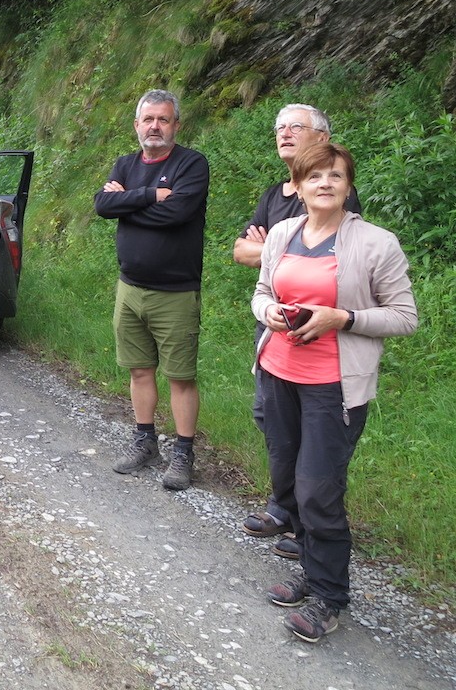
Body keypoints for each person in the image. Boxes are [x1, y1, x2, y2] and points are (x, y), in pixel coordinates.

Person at [252, 141, 416, 643]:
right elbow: (261, 294)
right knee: (288, 481)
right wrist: (270, 314)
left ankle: (328, 596)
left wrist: (341, 318)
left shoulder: (375, 243)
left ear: (348, 186)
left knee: (319, 491)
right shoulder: (282, 233)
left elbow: (405, 317)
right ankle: (309, 564)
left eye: (336, 176)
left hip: (333, 388)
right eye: (315, 176)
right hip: (278, 374)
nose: (325, 183)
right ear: (297, 186)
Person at [233, 104, 361, 560]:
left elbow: (339, 260)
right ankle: (284, 508)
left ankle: (310, 523)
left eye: (296, 127)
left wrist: (269, 247)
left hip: (321, 342)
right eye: (279, 128)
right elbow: (241, 251)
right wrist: (270, 250)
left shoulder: (335, 193)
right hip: (271, 328)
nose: (284, 134)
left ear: (322, 137)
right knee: (271, 419)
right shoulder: (274, 192)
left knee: (315, 440)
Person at [94, 89, 210, 491]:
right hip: (129, 289)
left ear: (176, 125)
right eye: (148, 120)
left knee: (180, 376)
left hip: (175, 292)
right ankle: (145, 441)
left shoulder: (191, 164)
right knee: (139, 370)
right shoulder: (126, 163)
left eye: (163, 119)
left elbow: (176, 213)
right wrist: (147, 196)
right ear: (137, 125)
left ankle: (183, 452)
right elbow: (102, 206)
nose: (155, 127)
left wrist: (126, 203)